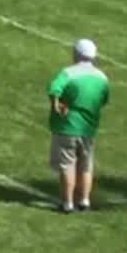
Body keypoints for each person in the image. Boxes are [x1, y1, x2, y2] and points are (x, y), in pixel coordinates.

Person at [47, 38, 110, 214]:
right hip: (89, 128)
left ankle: (67, 203)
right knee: (86, 166)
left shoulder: (69, 73)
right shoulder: (102, 77)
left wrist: (56, 105)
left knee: (67, 165)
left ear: (76, 54)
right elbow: (104, 100)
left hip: (66, 127)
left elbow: (54, 89)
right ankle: (84, 200)